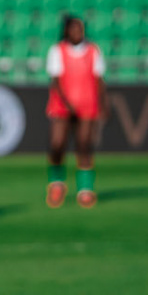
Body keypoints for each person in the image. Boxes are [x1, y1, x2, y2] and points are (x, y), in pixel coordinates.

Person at [45, 14, 106, 208]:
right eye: (74, 28)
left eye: (80, 28)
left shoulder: (93, 50)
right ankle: (57, 184)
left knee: (84, 145)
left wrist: (103, 104)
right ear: (66, 31)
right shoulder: (58, 50)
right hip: (61, 106)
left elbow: (99, 79)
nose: (78, 32)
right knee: (57, 145)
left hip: (87, 105)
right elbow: (56, 80)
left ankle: (85, 189)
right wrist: (67, 104)